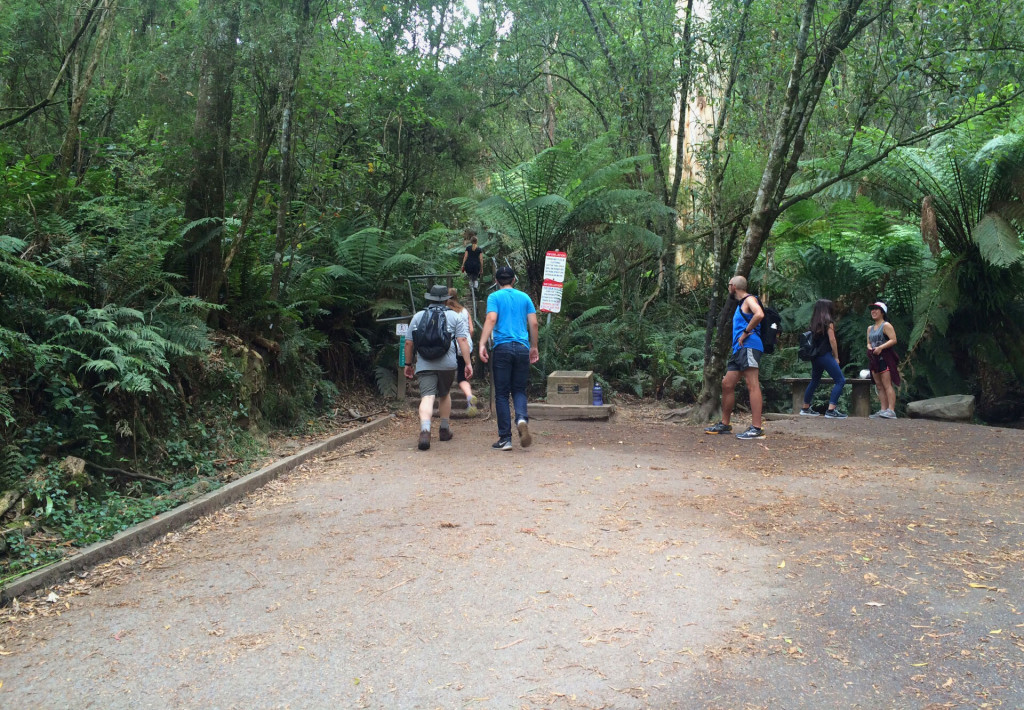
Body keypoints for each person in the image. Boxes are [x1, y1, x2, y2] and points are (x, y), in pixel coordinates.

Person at [404, 284, 473, 450]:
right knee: (444, 394)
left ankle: (425, 431)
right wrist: (468, 363)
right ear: (445, 300)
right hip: (447, 364)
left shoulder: (418, 316)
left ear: (430, 298)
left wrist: (408, 364)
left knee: (427, 397)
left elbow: (408, 342)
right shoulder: (455, 316)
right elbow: (463, 340)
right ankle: (444, 429)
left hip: (424, 363)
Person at [478, 266, 539, 451]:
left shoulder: (494, 297)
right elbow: (534, 323)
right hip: (522, 347)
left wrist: (482, 343)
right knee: (519, 389)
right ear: (514, 280)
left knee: (502, 394)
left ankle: (505, 438)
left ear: (497, 282)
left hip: (502, 348)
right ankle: (521, 418)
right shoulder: (525, 297)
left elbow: (491, 319)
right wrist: (534, 346)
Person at [705, 275, 766, 440]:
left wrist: (746, 332)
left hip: (750, 346)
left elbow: (759, 314)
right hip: (739, 349)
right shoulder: (741, 304)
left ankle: (756, 428)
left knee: (752, 384)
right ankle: (725, 424)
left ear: (733, 286)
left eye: (728, 285)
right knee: (727, 384)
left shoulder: (749, 300)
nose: (728, 288)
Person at [799, 299, 847, 418]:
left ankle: (805, 408)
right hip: (825, 355)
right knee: (840, 380)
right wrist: (836, 356)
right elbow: (832, 340)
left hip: (815, 357)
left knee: (815, 380)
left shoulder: (813, 324)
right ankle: (831, 410)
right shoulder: (828, 322)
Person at [446, 287, 479, 417]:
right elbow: (471, 330)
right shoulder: (464, 311)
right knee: (463, 376)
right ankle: (469, 397)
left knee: (445, 375)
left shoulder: (445, 312)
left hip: (449, 346)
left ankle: (444, 402)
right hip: (465, 346)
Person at [866, 301, 899, 418]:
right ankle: (883, 409)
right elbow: (868, 343)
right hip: (874, 359)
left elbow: (893, 339)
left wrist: (880, 347)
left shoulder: (886, 325)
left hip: (885, 358)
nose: (873, 311)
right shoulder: (870, 328)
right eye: (872, 309)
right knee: (879, 385)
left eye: (876, 309)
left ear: (882, 312)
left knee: (887, 384)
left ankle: (891, 410)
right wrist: (871, 349)